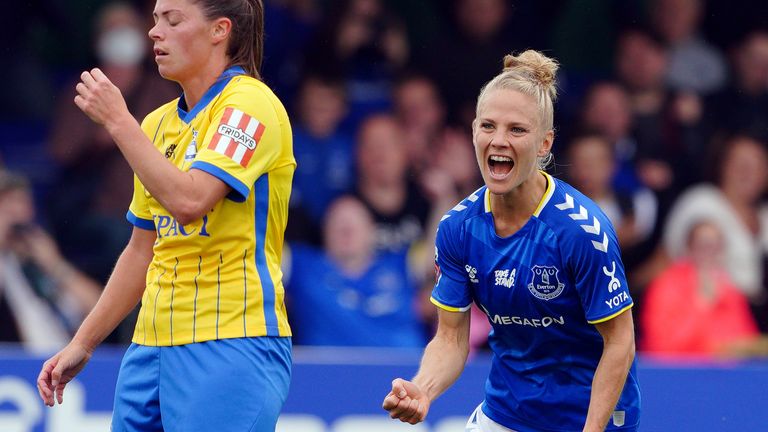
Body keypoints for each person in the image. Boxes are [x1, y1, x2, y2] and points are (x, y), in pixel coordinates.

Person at [37, 1, 294, 431]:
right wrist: (83, 342)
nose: (154, 32)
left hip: (231, 339)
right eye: (155, 19)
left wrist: (118, 122)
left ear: (220, 30)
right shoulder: (156, 125)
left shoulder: (251, 104)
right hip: (149, 347)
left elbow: (190, 203)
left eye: (172, 20)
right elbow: (142, 249)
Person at [382, 50, 640, 431]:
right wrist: (423, 388)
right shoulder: (457, 228)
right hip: (508, 413)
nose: (498, 140)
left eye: (516, 130)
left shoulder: (580, 231)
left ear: (544, 144)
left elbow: (620, 343)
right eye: (488, 126)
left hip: (590, 418)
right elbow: (452, 339)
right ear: (473, 132)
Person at [285, 196, 425, 347]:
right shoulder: (302, 265)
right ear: (324, 231)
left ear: (372, 231)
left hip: (407, 367)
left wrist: (445, 196)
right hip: (327, 368)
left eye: (355, 225)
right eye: (338, 225)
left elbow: (445, 250)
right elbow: (259, 249)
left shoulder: (401, 264)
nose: (346, 231)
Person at [0, 170, 101, 353]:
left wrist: (55, 265)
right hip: (16, 364)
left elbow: (98, 309)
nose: (18, 215)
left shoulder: (43, 262)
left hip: (62, 358)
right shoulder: (6, 266)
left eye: (23, 204)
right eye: (8, 207)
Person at [642, 220, 760, 356]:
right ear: (689, 249)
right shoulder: (665, 288)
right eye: (704, 247)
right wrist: (702, 304)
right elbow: (659, 346)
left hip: (724, 373)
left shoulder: (730, 291)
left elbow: (747, 344)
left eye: (717, 248)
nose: (711, 255)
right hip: (678, 372)